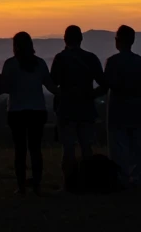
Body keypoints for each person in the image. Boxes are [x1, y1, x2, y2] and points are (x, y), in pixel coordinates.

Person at [0, 31, 54, 195]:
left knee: (19, 150)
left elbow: (4, 88)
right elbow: (50, 85)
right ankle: (36, 185)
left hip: (16, 111)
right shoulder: (40, 64)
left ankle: (21, 187)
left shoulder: (10, 64)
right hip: (37, 110)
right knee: (35, 149)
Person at [49, 25, 106, 190]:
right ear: (81, 39)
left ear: (65, 39)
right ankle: (88, 182)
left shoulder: (60, 58)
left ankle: (69, 184)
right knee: (86, 147)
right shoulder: (91, 58)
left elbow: (53, 83)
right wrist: (90, 95)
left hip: (66, 109)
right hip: (86, 109)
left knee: (68, 148)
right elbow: (103, 85)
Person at [104, 25, 141, 189]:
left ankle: (121, 179)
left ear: (118, 41)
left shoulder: (113, 62)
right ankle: (138, 180)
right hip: (137, 109)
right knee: (138, 147)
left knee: (118, 148)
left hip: (117, 110)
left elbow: (107, 84)